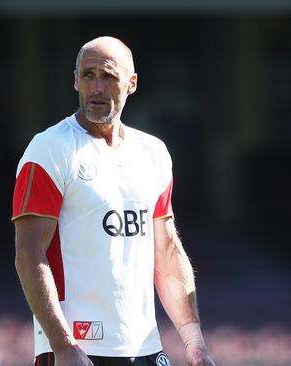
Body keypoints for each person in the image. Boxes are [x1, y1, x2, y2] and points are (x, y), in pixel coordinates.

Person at [12, 36, 216, 366]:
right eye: (88, 75)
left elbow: (166, 250)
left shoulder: (153, 153)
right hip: (76, 350)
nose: (96, 88)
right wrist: (64, 346)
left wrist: (194, 343)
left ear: (131, 83)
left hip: (146, 348)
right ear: (75, 80)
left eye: (107, 76)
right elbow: (28, 254)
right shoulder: (48, 150)